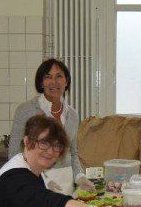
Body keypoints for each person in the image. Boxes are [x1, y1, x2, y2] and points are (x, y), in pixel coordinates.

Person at [7, 58, 92, 195]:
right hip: (35, 182)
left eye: (59, 76)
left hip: (66, 182)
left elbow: (73, 152)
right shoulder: (25, 110)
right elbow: (14, 153)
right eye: (48, 77)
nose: (54, 82)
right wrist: (42, 180)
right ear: (41, 82)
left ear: (66, 81)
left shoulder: (73, 115)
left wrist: (80, 177)